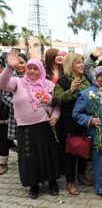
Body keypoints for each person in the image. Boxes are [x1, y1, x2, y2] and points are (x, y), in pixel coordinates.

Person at [0, 53, 60, 199]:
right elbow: (2, 84)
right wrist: (9, 68)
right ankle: (34, 185)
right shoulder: (17, 82)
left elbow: (57, 104)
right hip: (25, 128)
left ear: (41, 70)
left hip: (45, 126)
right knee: (29, 157)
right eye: (29, 68)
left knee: (48, 154)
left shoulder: (49, 84)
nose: (32, 71)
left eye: (35, 68)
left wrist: (55, 116)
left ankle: (52, 182)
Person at [72, 66, 102, 197]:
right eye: (100, 75)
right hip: (100, 134)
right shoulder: (87, 93)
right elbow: (76, 113)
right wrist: (90, 120)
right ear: (95, 77)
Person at [52, 53, 91, 195]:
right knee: (70, 151)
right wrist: (71, 91)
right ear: (70, 65)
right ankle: (70, 181)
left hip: (84, 121)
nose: (82, 65)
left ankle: (81, 174)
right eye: (78, 63)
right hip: (69, 122)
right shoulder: (62, 82)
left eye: (82, 62)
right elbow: (55, 100)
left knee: (84, 147)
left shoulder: (85, 80)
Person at [0, 58, 9, 175]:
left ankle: (3, 163)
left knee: (3, 138)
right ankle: (13, 145)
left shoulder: (7, 79)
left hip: (5, 113)